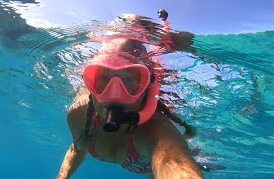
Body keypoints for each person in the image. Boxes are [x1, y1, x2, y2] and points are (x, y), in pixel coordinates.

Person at [56, 13, 203, 179]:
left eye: (129, 80)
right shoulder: (79, 114)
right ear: (89, 82)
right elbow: (76, 149)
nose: (114, 94)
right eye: (103, 78)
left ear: (148, 86)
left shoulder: (154, 129)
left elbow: (173, 163)